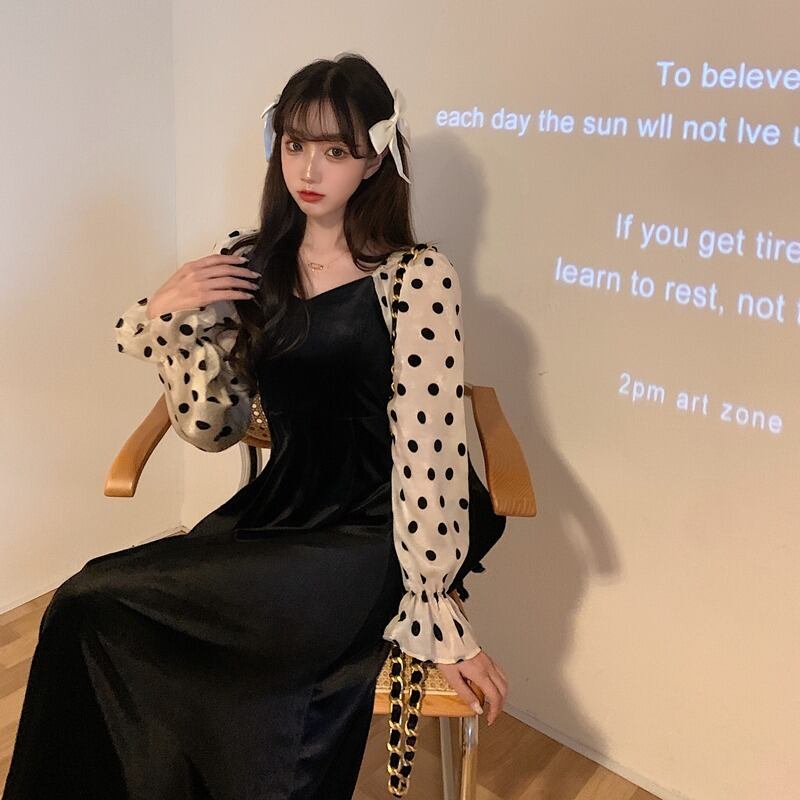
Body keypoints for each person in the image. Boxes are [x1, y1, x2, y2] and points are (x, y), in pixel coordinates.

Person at [2, 52, 508, 800]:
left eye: (336, 150)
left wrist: (437, 611)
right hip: (282, 514)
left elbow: (428, 446)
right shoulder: (251, 263)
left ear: (375, 160)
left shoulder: (416, 276)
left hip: (381, 533)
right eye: (296, 143)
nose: (309, 168)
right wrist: (170, 320)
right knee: (85, 604)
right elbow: (216, 427)